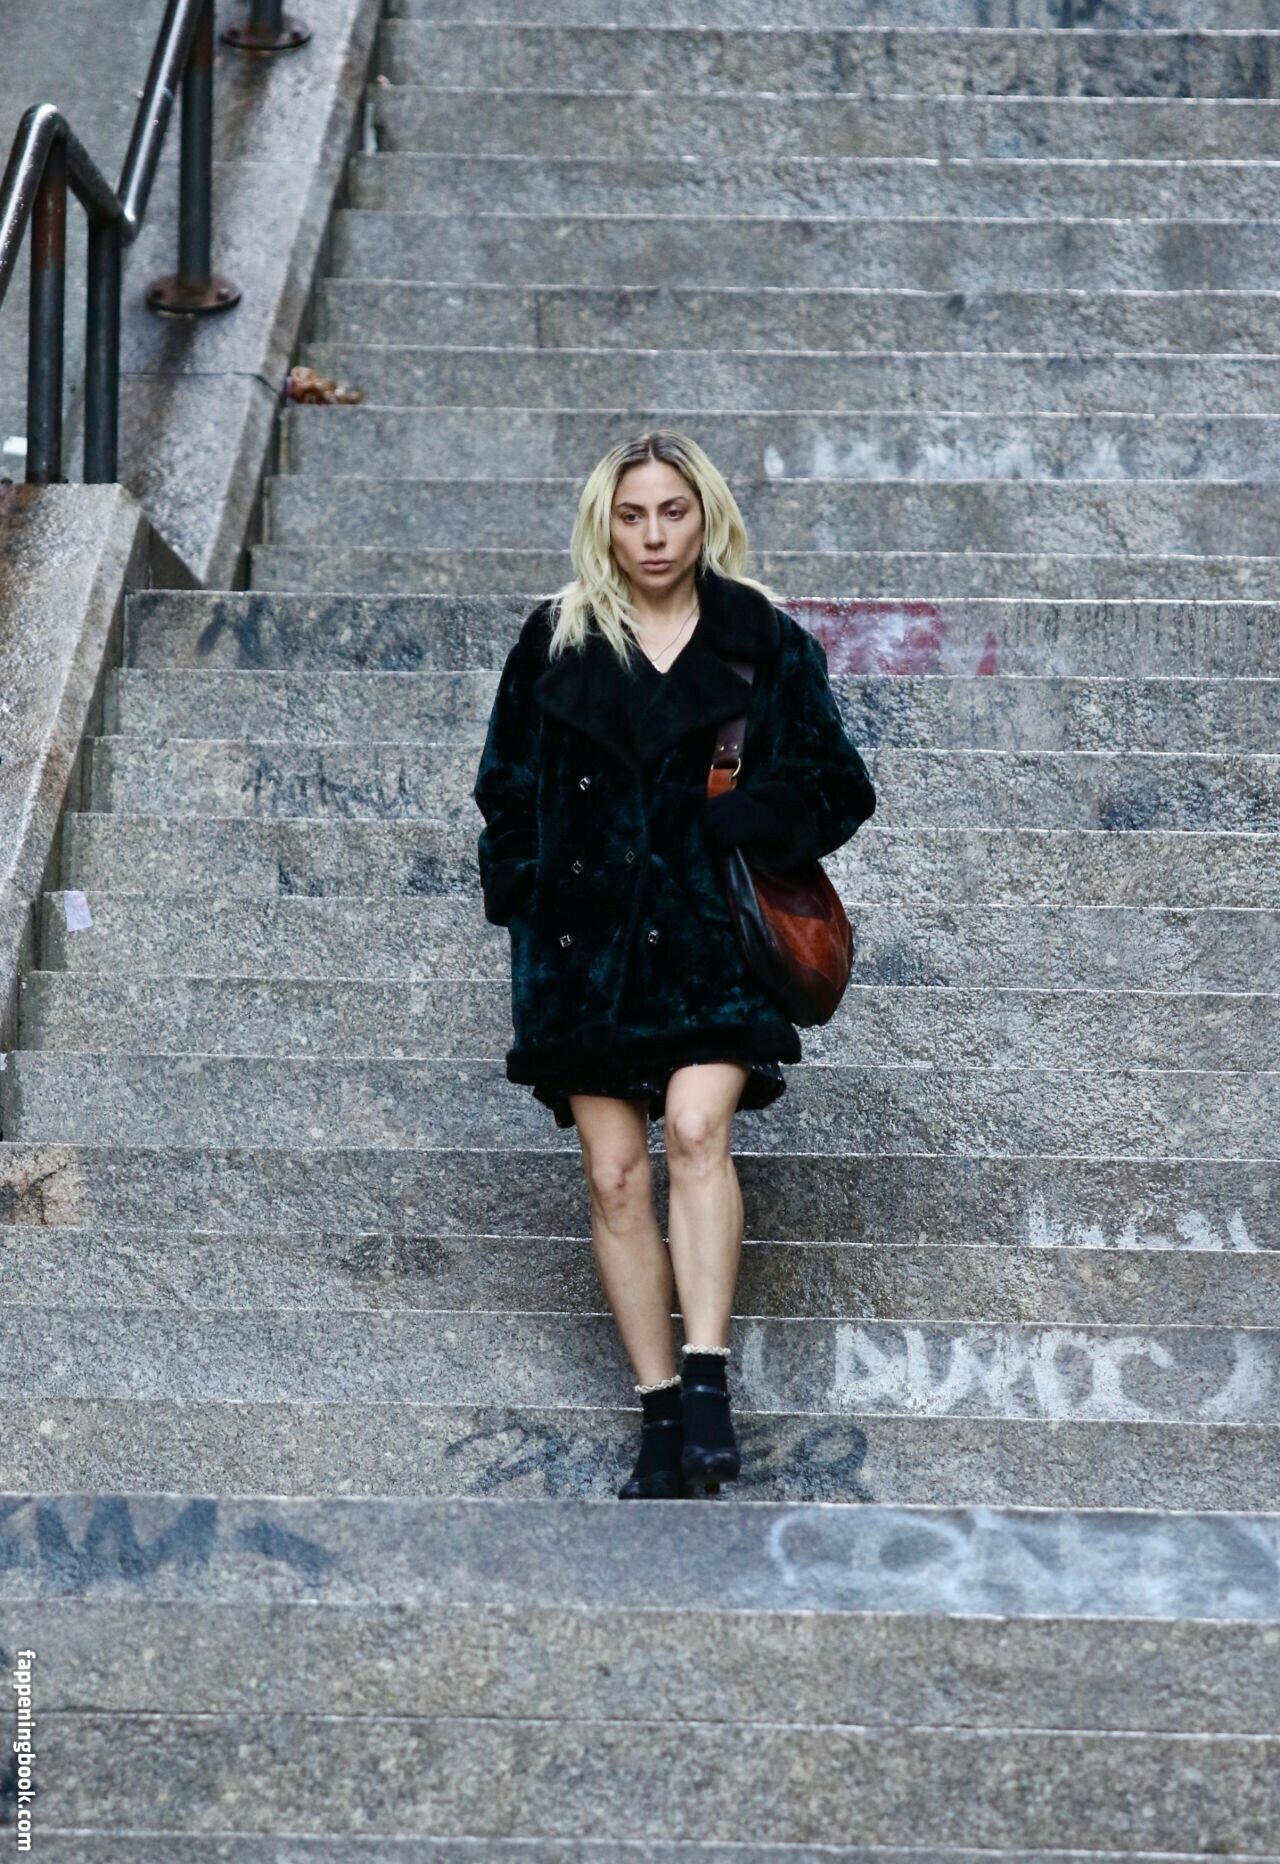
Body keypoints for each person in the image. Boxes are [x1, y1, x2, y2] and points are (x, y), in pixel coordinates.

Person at [471, 431, 876, 1501]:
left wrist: (746, 816)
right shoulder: (554, 640)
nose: (653, 535)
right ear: (603, 525)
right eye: (632, 515)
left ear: (707, 518)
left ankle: (705, 1385)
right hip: (585, 952)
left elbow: (839, 785)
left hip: (708, 946)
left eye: (673, 512)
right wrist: (527, 890)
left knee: (697, 1128)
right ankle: (659, 1416)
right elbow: (505, 788)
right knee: (613, 1176)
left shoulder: (761, 641)